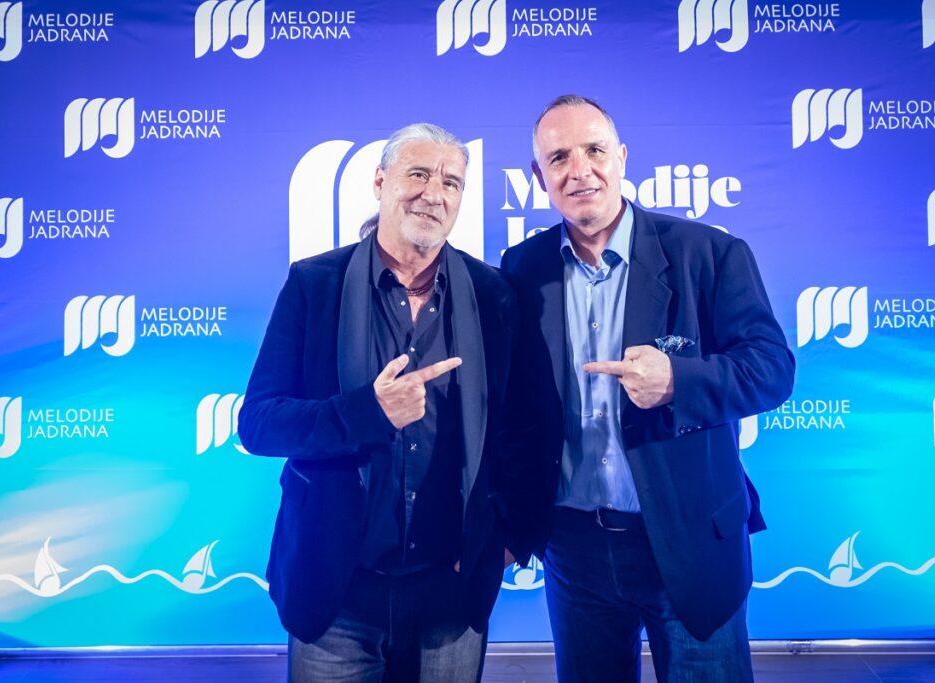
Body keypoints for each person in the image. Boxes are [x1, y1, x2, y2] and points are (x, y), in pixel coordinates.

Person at [500, 95, 795, 682]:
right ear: (538, 176)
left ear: (622, 157)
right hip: (573, 548)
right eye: (558, 157)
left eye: (594, 150)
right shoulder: (522, 267)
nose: (579, 170)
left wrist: (677, 381)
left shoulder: (708, 253)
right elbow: (517, 411)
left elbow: (771, 370)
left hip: (690, 539)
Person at [239, 123, 522, 682]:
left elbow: (520, 430)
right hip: (337, 592)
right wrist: (367, 413)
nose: (434, 194)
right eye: (418, 174)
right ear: (379, 181)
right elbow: (259, 423)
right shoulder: (314, 284)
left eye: (451, 182)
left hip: (450, 592)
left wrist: (507, 536)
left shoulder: (493, 294)